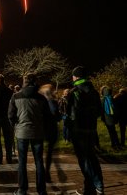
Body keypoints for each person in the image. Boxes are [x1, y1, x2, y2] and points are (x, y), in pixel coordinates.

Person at [8, 73, 50, 195]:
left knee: (22, 161)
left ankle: (22, 189)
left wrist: (16, 126)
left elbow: (10, 115)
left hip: (21, 133)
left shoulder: (15, 97)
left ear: (24, 82)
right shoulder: (41, 98)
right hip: (37, 132)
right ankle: (41, 190)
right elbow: (47, 116)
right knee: (39, 161)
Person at [66, 66, 104, 195]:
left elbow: (69, 113)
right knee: (92, 157)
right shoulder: (94, 92)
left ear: (76, 77)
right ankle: (99, 185)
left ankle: (89, 187)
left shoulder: (73, 91)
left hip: (79, 130)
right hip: (91, 129)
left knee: (84, 160)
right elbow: (99, 111)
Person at [39, 84, 61, 183]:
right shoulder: (52, 101)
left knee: (40, 152)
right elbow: (56, 114)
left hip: (41, 128)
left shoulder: (40, 101)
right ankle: (46, 172)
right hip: (51, 128)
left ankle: (42, 172)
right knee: (49, 152)